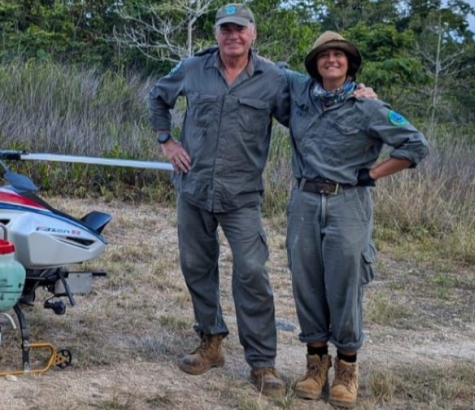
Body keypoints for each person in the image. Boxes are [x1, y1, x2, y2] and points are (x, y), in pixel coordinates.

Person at [147, 3, 378, 397]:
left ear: (253, 34)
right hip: (195, 189)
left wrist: (356, 94)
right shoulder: (192, 68)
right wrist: (167, 141)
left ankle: (262, 363)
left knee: (252, 274)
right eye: (225, 29)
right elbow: (158, 97)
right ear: (216, 33)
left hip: (242, 196)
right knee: (196, 267)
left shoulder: (276, 79)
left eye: (240, 29)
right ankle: (210, 342)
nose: (232, 36)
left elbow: (319, 95)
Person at [279, 31, 429, 408]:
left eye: (339, 55)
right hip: (304, 200)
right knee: (306, 280)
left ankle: (347, 369)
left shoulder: (368, 107)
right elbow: (263, 69)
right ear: (314, 64)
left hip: (348, 202)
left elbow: (415, 145)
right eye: (324, 55)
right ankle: (315, 367)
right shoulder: (300, 95)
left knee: (345, 285)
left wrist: (372, 174)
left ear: (349, 63)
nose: (332, 59)